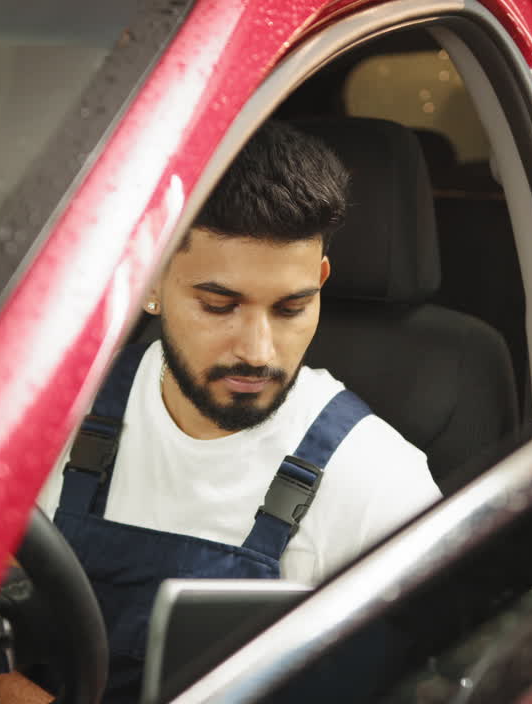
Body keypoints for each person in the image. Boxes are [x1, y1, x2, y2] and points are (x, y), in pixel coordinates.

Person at [35, 119, 441, 701]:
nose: (257, 351)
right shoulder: (52, 422)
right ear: (150, 278)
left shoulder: (378, 483)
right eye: (219, 306)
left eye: (291, 308)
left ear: (321, 282)